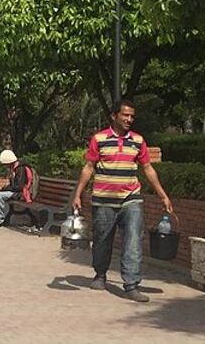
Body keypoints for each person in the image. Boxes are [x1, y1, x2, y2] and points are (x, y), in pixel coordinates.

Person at [71, 100, 172, 302]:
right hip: (103, 200)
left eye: (132, 116)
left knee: (134, 240)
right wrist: (77, 194)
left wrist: (163, 195)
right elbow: (89, 167)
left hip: (131, 199)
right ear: (114, 116)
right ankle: (100, 274)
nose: (129, 119)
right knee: (102, 240)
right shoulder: (99, 139)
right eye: (125, 115)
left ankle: (131, 284)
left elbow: (148, 169)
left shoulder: (137, 140)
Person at [0, 149, 34, 228]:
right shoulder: (13, 168)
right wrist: (2, 188)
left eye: (5, 164)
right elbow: (13, 185)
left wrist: (3, 189)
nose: (4, 166)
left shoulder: (21, 169)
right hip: (15, 191)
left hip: (21, 193)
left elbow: (19, 187)